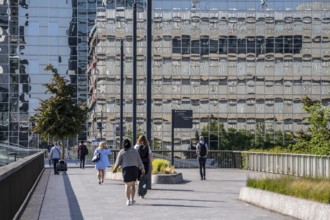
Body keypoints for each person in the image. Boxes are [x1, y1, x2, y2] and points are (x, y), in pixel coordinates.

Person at [113, 139, 145, 206]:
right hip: (134, 169)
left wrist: (115, 168)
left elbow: (118, 161)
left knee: (127, 185)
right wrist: (142, 168)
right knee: (133, 185)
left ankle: (128, 200)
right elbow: (139, 160)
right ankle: (132, 199)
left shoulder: (122, 151)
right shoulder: (135, 151)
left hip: (126, 169)